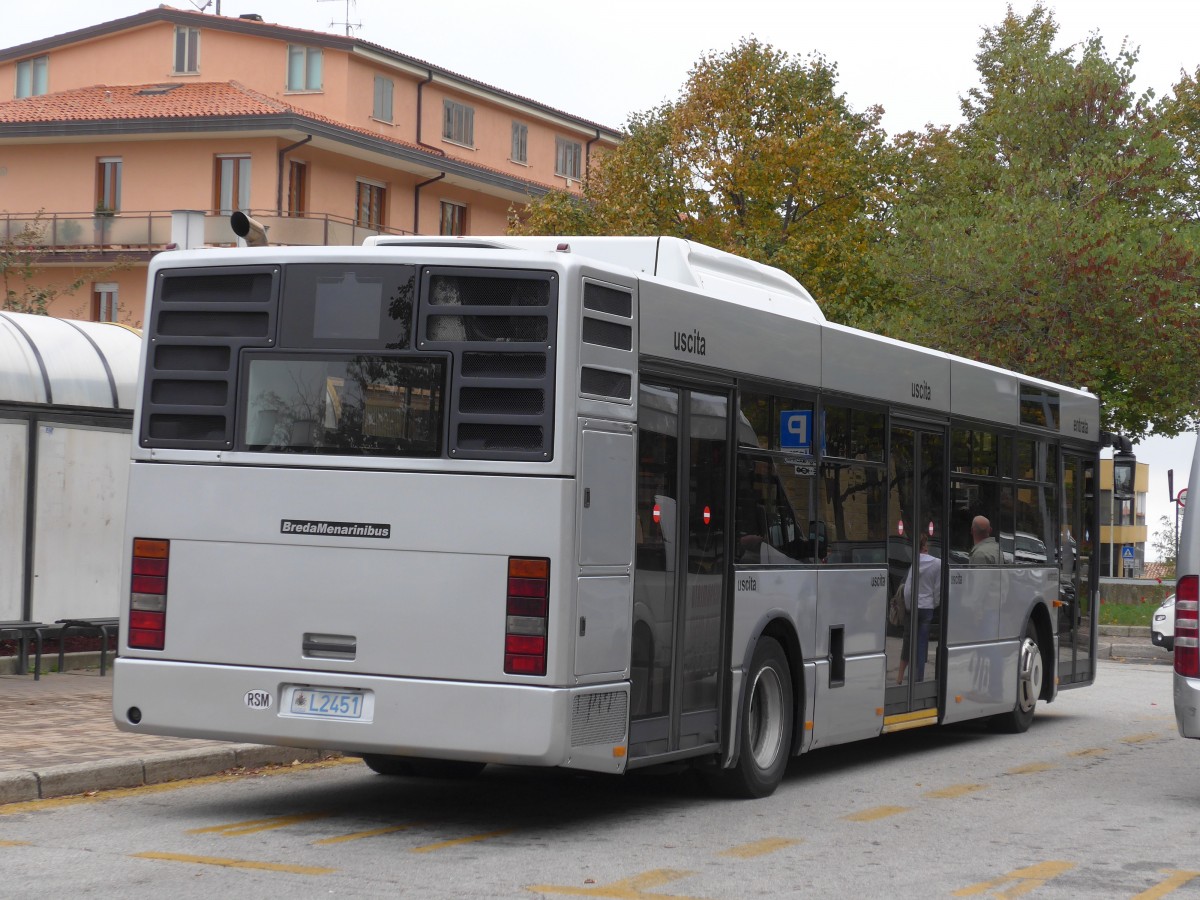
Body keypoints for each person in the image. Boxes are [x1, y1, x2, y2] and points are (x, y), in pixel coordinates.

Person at [897, 533, 942, 684]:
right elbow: (937, 589)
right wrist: (933, 603)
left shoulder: (914, 563)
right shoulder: (937, 563)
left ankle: (906, 676)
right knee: (922, 643)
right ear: (925, 546)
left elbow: (908, 590)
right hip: (927, 608)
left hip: (913, 607)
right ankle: (918, 678)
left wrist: (909, 606)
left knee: (909, 641)